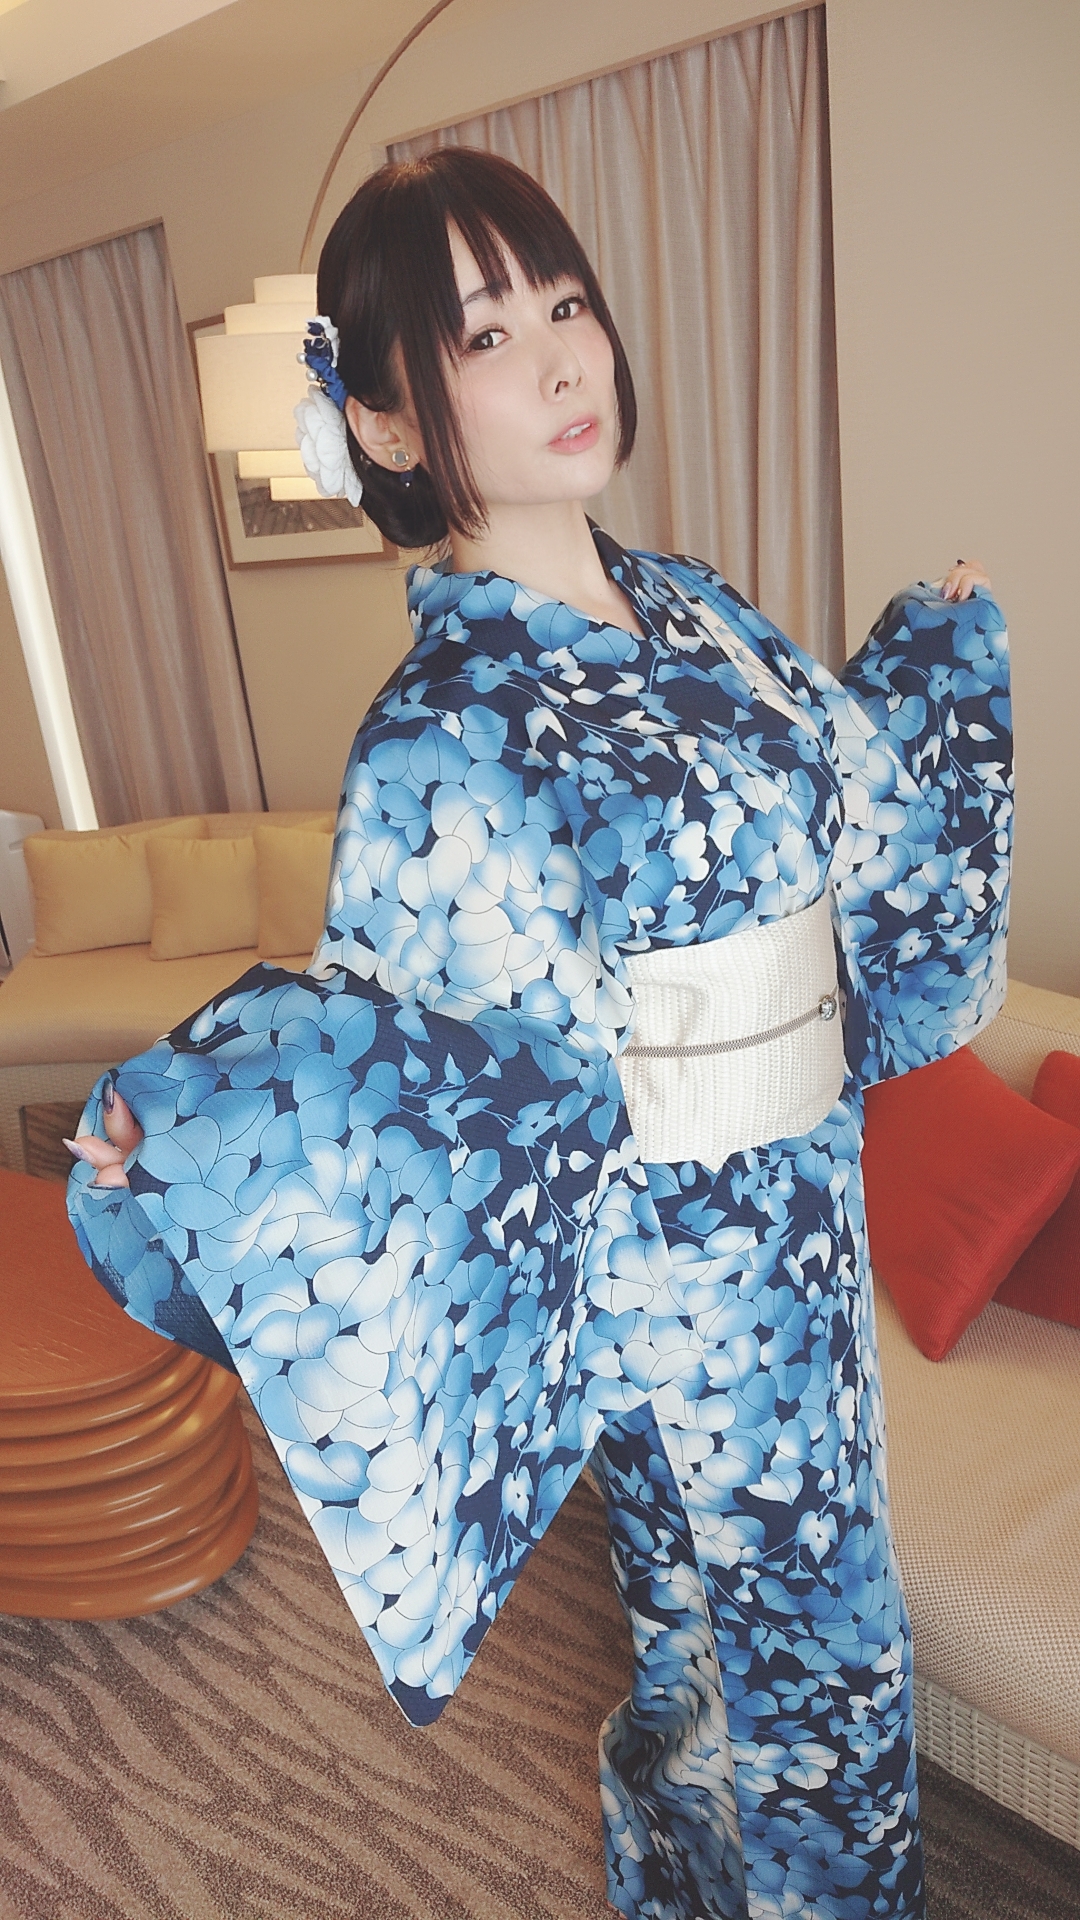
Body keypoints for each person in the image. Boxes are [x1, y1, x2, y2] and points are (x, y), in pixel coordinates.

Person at [67, 148, 1009, 1920]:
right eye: (486, 334)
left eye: (565, 303)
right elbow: (426, 1064)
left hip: (807, 1219)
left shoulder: (695, 603)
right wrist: (206, 1132)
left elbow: (847, 808)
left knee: (765, 1663)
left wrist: (937, 668)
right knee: (794, 1677)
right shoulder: (442, 729)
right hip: (675, 1266)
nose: (566, 357)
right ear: (387, 421)